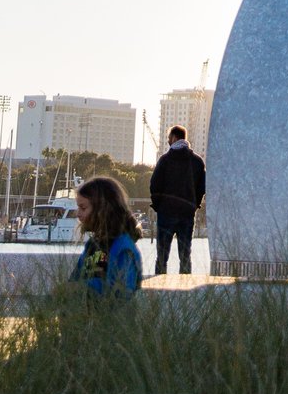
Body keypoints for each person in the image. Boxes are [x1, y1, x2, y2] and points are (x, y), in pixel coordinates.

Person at [70, 176, 142, 297]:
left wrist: (84, 287)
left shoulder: (124, 247)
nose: (78, 214)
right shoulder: (92, 245)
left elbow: (123, 289)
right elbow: (75, 278)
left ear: (102, 209)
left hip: (110, 314)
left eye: (83, 208)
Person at [148, 125, 206, 275]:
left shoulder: (165, 160)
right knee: (185, 256)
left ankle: (158, 288)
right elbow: (202, 187)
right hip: (187, 214)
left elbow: (154, 184)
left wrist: (158, 205)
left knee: (162, 257)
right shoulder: (197, 162)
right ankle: (186, 289)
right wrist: (195, 204)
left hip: (166, 213)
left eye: (168, 138)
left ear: (174, 138)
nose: (168, 141)